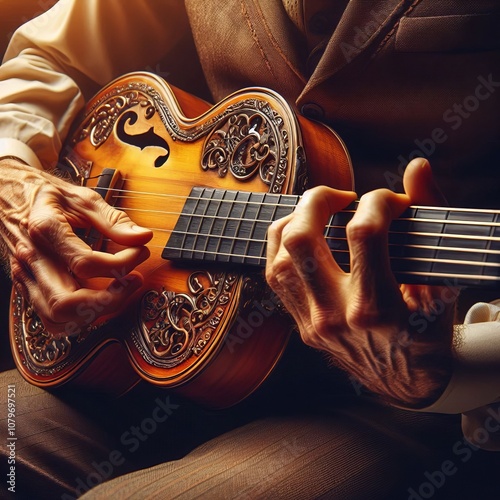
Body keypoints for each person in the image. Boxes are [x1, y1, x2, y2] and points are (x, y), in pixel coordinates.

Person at [1, 0, 500, 498]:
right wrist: (14, 179)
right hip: (148, 343)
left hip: (405, 397)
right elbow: (53, 56)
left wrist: (447, 369)